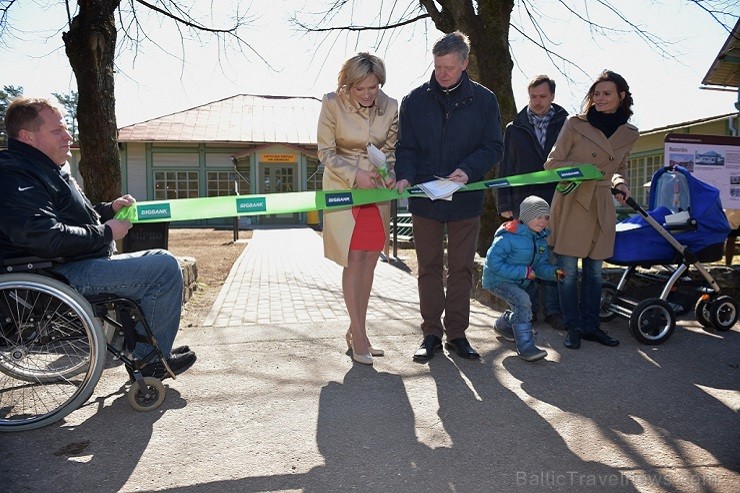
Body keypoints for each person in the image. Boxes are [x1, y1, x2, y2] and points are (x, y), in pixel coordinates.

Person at [0, 97, 196, 378]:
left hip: (64, 265)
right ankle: (149, 361)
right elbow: (42, 235)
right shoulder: (16, 173)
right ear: (28, 136)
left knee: (157, 263)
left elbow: (68, 217)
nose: (68, 136)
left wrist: (108, 209)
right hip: (56, 273)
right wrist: (105, 232)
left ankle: (150, 352)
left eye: (66, 128)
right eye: (57, 131)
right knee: (163, 267)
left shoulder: (38, 167)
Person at [395, 31, 504, 361]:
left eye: (449, 68)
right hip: (425, 198)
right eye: (437, 66)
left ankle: (457, 333)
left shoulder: (485, 101)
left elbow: (493, 147)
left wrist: (468, 171)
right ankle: (430, 333)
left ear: (465, 63)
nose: (441, 74)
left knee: (460, 269)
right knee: (428, 267)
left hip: (464, 198)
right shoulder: (413, 100)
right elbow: (406, 147)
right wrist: (404, 175)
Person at [544, 70, 639, 349]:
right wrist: (583, 171)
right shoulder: (575, 124)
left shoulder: (630, 133)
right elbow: (552, 164)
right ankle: (572, 327)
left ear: (621, 96)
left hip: (600, 204)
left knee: (595, 272)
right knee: (568, 271)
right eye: (596, 93)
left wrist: (621, 184)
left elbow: (619, 169)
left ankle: (591, 326)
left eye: (606, 93)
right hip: (573, 200)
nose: (599, 98)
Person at [317, 53, 398, 366]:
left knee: (369, 260)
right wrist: (355, 175)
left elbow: (389, 150)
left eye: (374, 87)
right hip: (343, 189)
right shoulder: (331, 104)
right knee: (352, 260)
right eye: (361, 88)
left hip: (375, 193)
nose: (368, 94)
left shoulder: (390, 106)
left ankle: (355, 330)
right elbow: (325, 152)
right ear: (347, 85)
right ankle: (360, 336)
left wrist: (387, 173)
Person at [497, 74, 568, 331]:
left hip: (555, 200)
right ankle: (525, 309)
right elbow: (505, 168)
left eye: (543, 97)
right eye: (533, 97)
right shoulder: (514, 128)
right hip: (522, 203)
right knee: (522, 258)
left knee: (548, 257)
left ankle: (552, 311)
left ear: (552, 97)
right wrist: (503, 203)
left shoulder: (566, 125)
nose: (537, 102)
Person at [483, 196, 564, 361]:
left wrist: (554, 273)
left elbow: (539, 266)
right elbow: (492, 261)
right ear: (526, 217)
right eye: (538, 216)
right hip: (497, 280)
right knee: (523, 300)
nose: (543, 221)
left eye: (546, 217)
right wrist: (523, 272)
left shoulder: (539, 240)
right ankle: (526, 346)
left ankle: (503, 325)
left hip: (517, 282)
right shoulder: (509, 236)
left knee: (521, 307)